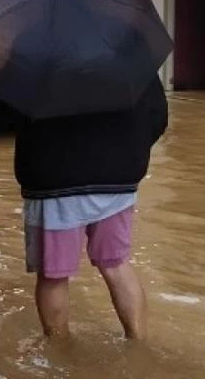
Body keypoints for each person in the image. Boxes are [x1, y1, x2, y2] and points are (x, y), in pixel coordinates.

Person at [14, 76, 168, 339]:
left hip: (54, 181)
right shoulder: (128, 45)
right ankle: (139, 347)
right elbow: (157, 116)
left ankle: (60, 359)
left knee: (54, 275)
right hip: (118, 181)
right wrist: (125, 154)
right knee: (117, 264)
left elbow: (7, 109)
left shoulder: (34, 49)